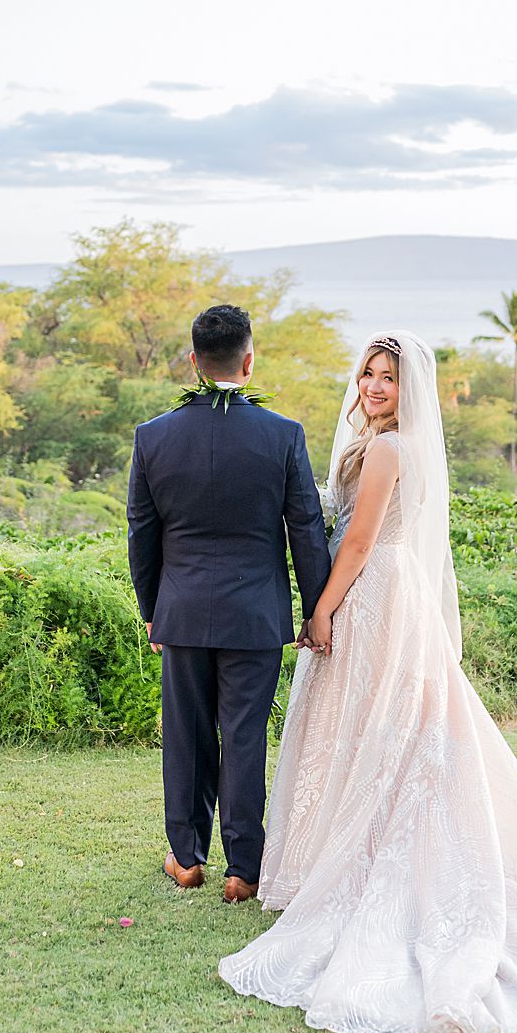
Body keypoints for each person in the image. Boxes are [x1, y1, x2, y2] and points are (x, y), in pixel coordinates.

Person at [218, 330, 517, 1033]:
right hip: (389, 590)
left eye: (389, 379)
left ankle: (369, 864)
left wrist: (319, 608)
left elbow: (357, 541)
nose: (375, 387)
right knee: (380, 726)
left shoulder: (387, 450)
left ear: (412, 391)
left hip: (375, 591)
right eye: (368, 375)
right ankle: (340, 853)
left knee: (380, 726)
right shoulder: (378, 442)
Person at [127, 303, 331, 903]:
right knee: (243, 737)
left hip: (182, 611)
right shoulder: (283, 435)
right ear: (248, 362)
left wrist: (151, 607)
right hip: (256, 616)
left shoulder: (153, 437)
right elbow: (306, 530)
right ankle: (244, 869)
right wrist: (315, 606)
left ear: (193, 362)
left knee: (186, 734)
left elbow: (143, 532)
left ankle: (186, 859)